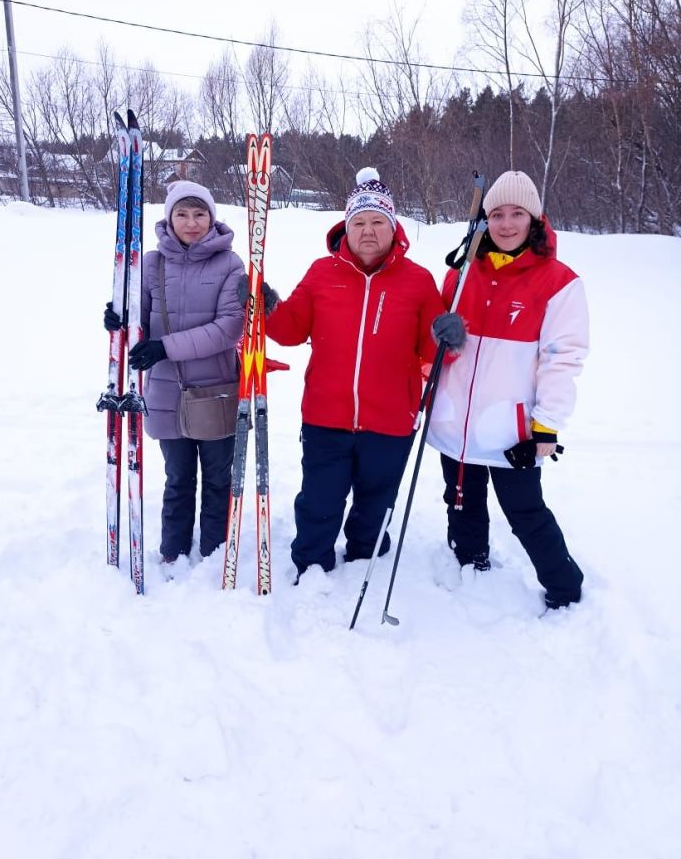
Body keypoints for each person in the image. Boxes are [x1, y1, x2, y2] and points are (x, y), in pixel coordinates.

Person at [251, 167, 444, 579]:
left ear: (394, 228)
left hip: (392, 419)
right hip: (326, 415)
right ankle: (311, 564)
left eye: (378, 222)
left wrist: (449, 335)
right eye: (359, 222)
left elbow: (435, 353)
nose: (368, 231)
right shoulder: (323, 273)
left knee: (377, 499)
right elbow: (289, 329)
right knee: (320, 500)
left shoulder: (418, 281)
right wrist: (267, 307)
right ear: (346, 226)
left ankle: (364, 555)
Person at [427, 170, 589, 609]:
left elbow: (563, 358)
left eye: (517, 213)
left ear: (534, 219)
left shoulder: (559, 282)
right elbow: (437, 342)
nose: (506, 223)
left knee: (525, 511)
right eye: (497, 214)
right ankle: (469, 562)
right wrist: (442, 334)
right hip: (455, 422)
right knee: (460, 501)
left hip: (510, 430)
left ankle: (565, 588)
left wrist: (545, 428)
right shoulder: (462, 272)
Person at [104, 180, 245, 563]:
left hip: (215, 390)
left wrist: (165, 346)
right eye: (182, 213)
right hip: (167, 391)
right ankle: (173, 552)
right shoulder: (151, 263)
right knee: (178, 479)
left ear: (212, 217)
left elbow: (230, 327)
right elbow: (140, 323)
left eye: (200, 214)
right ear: (169, 217)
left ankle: (216, 553)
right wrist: (121, 321)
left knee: (218, 480)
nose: (192, 222)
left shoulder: (230, 264)